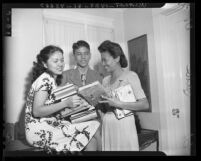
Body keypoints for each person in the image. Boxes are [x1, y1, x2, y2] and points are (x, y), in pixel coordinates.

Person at [25, 45, 100, 153]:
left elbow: (49, 103)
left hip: (48, 125)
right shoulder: (45, 80)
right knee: (95, 126)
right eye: (55, 61)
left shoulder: (49, 79)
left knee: (91, 140)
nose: (60, 64)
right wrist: (66, 103)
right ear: (45, 64)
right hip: (39, 130)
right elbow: (37, 111)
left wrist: (69, 91)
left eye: (62, 60)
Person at [98, 40, 149, 151]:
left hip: (124, 124)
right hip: (107, 124)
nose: (103, 63)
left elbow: (144, 104)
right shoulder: (105, 80)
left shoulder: (130, 76)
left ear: (116, 58)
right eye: (102, 60)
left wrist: (119, 103)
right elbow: (104, 106)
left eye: (105, 60)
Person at [61, 40, 103, 151]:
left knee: (94, 138)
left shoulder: (98, 76)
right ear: (74, 56)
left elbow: (101, 102)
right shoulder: (65, 75)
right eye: (79, 54)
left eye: (86, 53)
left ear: (90, 55)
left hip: (93, 117)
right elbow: (59, 101)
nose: (83, 57)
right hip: (72, 119)